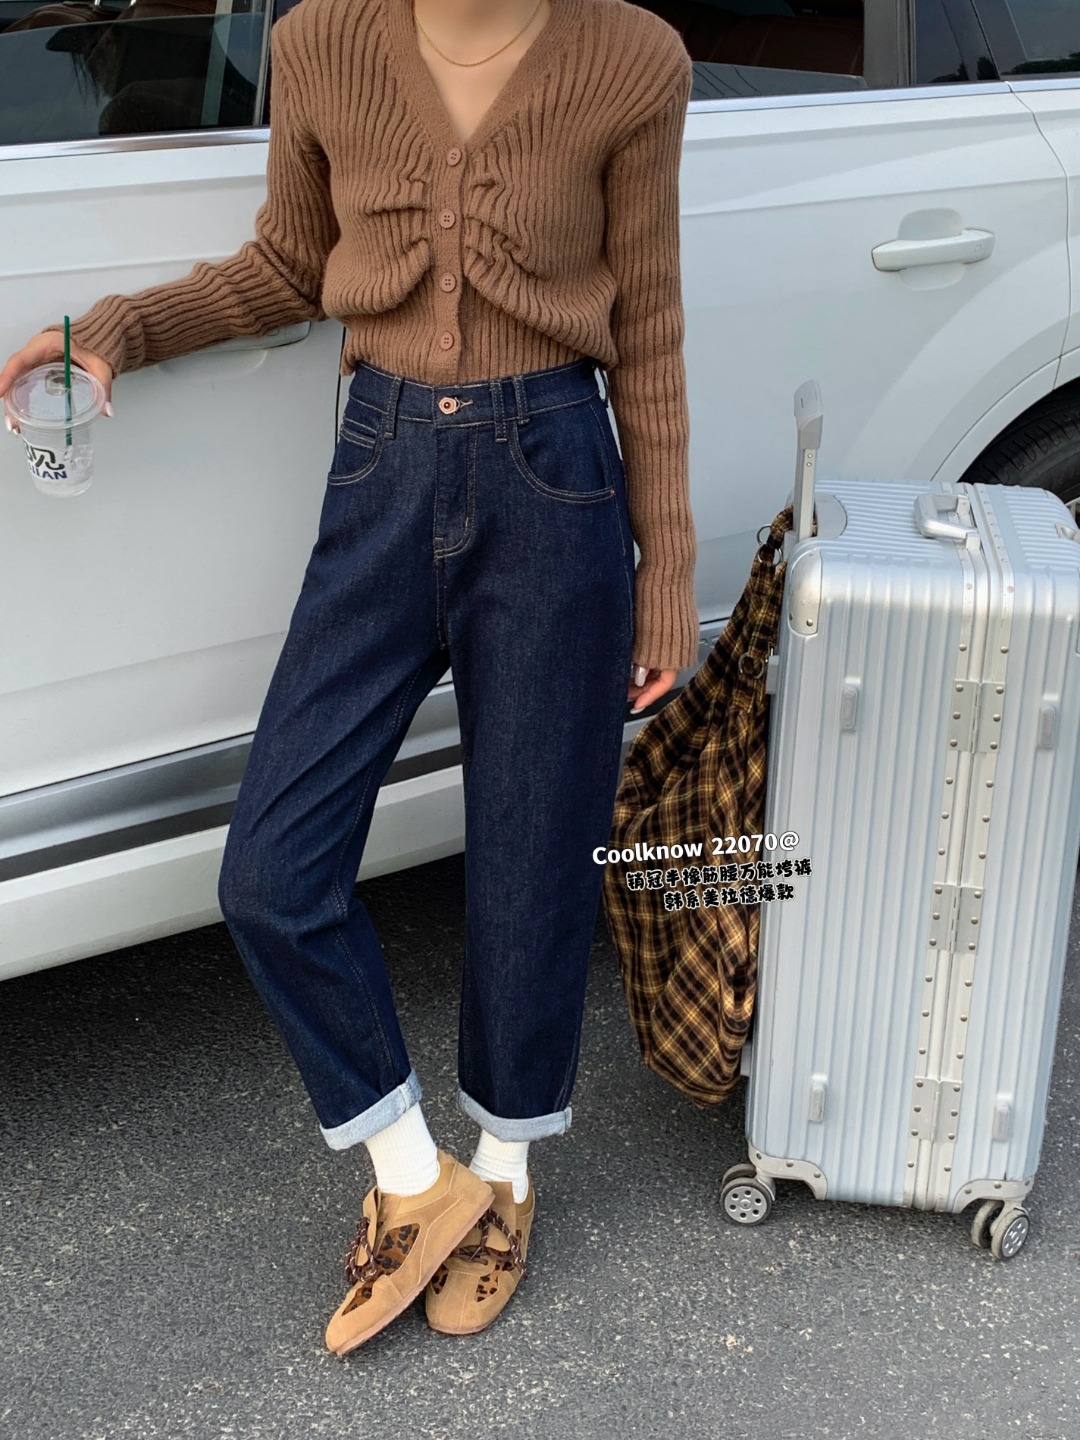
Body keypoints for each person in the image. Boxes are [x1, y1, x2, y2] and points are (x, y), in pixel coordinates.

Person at [0, 0, 698, 1354]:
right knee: (272, 867)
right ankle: (415, 1178)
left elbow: (652, 326)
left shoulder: (630, 57)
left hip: (556, 472)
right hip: (382, 465)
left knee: (530, 865)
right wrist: (120, 330)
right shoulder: (321, 42)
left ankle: (506, 1175)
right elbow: (286, 264)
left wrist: (663, 569)